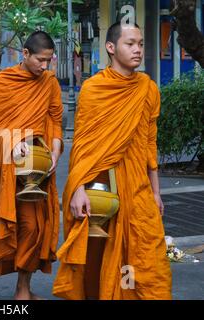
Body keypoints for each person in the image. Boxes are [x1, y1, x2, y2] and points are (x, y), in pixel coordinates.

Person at [52, 22, 172, 300]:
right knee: (101, 260)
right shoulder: (95, 89)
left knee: (149, 261)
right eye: (130, 44)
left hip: (139, 190)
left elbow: (148, 143)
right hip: (102, 191)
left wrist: (156, 191)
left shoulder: (148, 89)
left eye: (140, 43)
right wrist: (78, 189)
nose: (138, 50)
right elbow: (82, 144)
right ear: (111, 47)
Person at [0, 31, 64, 299]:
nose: (45, 66)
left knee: (36, 226)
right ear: (25, 54)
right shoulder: (5, 81)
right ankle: (21, 289)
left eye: (49, 61)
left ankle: (23, 287)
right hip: (12, 164)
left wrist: (58, 146)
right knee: (19, 224)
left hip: (40, 161)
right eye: (41, 60)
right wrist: (12, 141)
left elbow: (55, 117)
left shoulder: (49, 81)